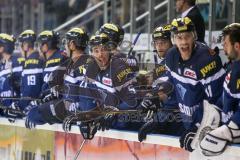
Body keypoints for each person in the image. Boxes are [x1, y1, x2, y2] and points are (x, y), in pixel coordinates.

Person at [161, 17, 225, 152]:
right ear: (173, 40)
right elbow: (172, 90)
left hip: (213, 131)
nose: (184, 42)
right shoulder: (171, 56)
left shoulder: (207, 60)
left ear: (194, 36)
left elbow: (218, 102)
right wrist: (160, 118)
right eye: (179, 37)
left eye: (187, 36)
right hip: (188, 125)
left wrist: (198, 127)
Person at [200, 23, 240, 156]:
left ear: (237, 46)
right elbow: (225, 97)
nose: (223, 47)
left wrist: (232, 129)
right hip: (229, 138)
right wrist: (212, 112)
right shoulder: (232, 66)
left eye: (226, 44)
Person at [15, 30, 44, 111]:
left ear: (25, 45)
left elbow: (31, 92)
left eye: (20, 45)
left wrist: (19, 106)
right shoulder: (37, 58)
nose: (19, 50)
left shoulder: (31, 62)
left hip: (31, 109)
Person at [0, 33, 23, 117]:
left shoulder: (18, 62)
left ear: (2, 48)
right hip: (4, 112)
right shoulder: (1, 65)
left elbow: (24, 89)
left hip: (17, 113)